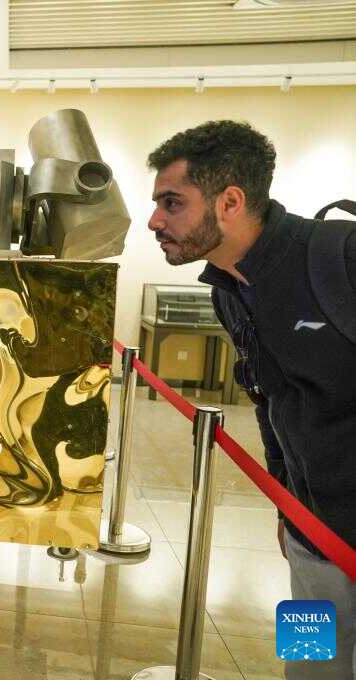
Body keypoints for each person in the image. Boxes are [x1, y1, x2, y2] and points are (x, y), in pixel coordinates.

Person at [146, 120, 355, 679]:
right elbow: (270, 403)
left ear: (230, 202)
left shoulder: (342, 257)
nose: (155, 220)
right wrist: (286, 502)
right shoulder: (227, 291)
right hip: (310, 535)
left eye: (172, 202)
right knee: (310, 669)